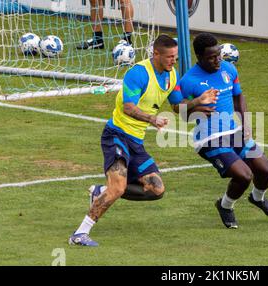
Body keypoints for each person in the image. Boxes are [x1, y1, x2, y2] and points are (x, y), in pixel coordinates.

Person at [69, 35, 218, 246]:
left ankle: (101, 192)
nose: (173, 61)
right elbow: (128, 107)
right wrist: (152, 119)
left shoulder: (171, 75)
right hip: (117, 135)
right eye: (169, 57)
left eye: (175, 57)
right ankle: (79, 233)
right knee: (118, 187)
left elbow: (177, 106)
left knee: (156, 189)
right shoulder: (138, 74)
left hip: (136, 142)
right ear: (156, 54)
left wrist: (198, 101)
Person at [179, 33, 268, 229]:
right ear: (199, 57)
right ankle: (225, 206)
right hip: (210, 139)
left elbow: (238, 97)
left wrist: (245, 123)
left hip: (234, 131)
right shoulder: (189, 80)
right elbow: (182, 113)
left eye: (218, 55)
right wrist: (197, 107)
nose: (217, 60)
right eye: (211, 57)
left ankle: (257, 198)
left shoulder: (228, 68)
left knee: (265, 169)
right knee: (244, 175)